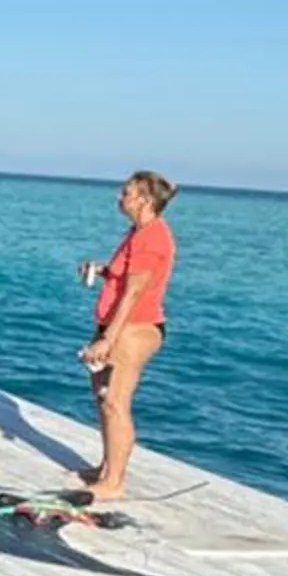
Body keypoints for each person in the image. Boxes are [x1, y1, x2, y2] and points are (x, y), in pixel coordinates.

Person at [78, 172, 177, 499]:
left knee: (116, 403)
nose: (119, 197)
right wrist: (104, 271)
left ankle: (114, 482)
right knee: (103, 397)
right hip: (116, 325)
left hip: (135, 327)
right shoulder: (138, 233)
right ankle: (106, 467)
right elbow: (125, 278)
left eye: (126, 193)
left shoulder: (153, 238)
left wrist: (108, 338)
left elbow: (134, 293)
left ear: (145, 201)